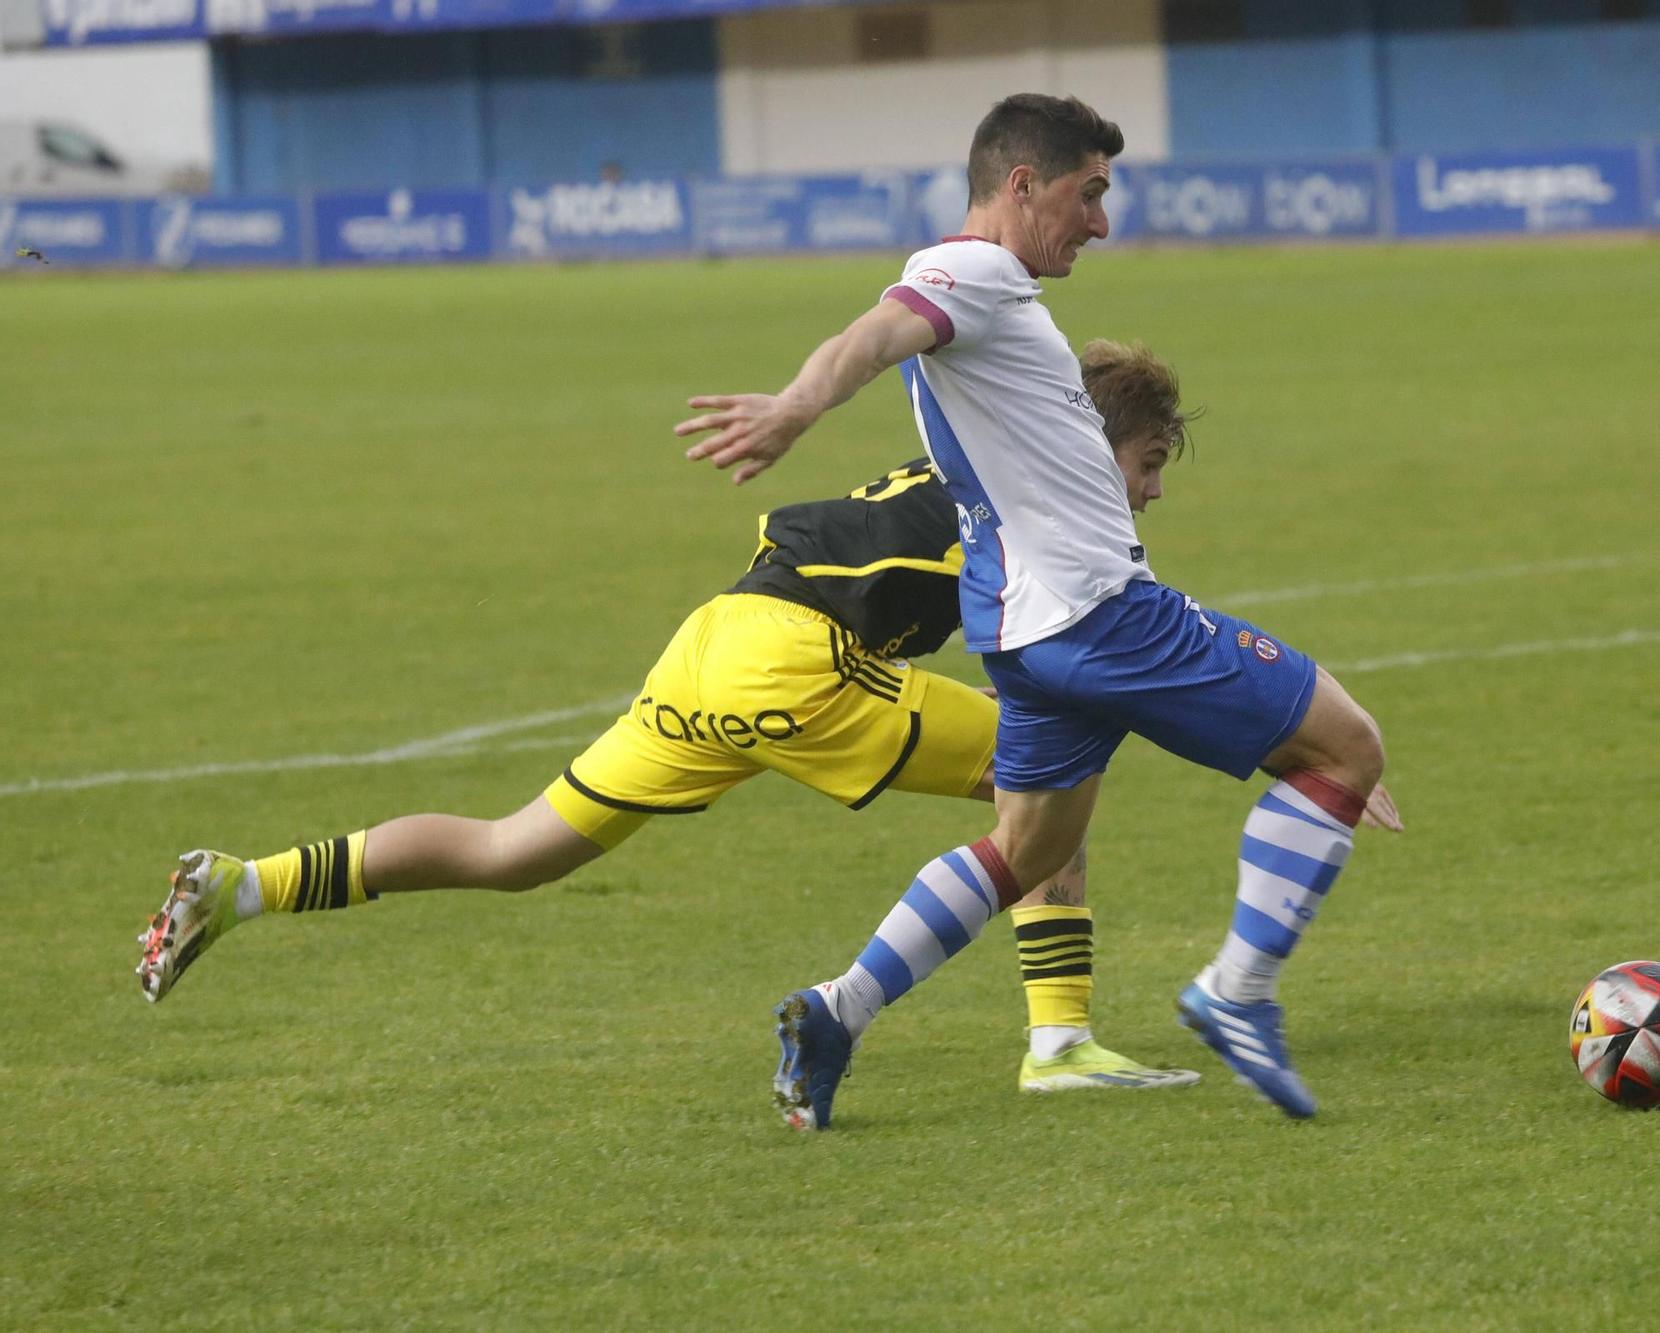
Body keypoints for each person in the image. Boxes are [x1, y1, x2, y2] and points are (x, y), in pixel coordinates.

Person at [134, 339, 1209, 1096]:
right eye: (1147, 463)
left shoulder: (976, 465)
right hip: (797, 662)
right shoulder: (1042, 507)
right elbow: (1107, 662)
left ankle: (242, 883)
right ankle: (1051, 1039)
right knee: (1052, 775)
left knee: (516, 848)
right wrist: (1303, 744)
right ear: (1084, 442)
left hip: (716, 641)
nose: (1152, 490)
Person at [676, 93, 1399, 1129]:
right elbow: (875, 331)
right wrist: (795, 405)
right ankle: (1235, 993)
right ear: (1021, 185)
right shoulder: (969, 271)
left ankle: (839, 1010)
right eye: (1087, 193)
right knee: (1349, 748)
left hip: (1023, 631)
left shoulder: (1002, 302)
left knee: (1022, 848)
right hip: (1099, 617)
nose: (1099, 223)